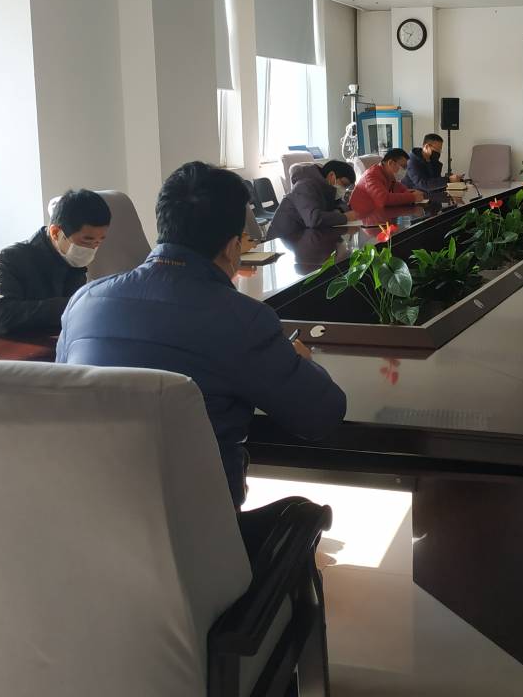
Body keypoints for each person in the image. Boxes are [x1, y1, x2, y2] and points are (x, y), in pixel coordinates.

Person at [57, 162, 347, 539]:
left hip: (94, 531)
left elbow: (66, 399)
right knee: (300, 517)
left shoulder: (83, 302)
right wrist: (303, 363)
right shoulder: (242, 319)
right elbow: (323, 416)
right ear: (232, 247)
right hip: (199, 542)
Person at [0, 189, 111, 336]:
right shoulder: (4, 260)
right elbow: (0, 317)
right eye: (86, 241)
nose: (92, 249)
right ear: (55, 232)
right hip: (6, 349)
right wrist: (77, 304)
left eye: (99, 242)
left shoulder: (73, 266)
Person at [265, 159, 355, 241]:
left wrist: (339, 211)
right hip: (282, 240)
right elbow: (313, 219)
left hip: (302, 237)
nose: (344, 189)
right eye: (344, 184)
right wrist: (345, 217)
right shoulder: (305, 186)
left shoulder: (327, 189)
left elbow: (340, 204)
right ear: (331, 176)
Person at [349, 149, 426, 215]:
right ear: (391, 163)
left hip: (377, 214)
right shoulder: (371, 176)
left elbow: (402, 190)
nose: (404, 171)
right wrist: (412, 197)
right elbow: (383, 200)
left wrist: (413, 193)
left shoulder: (389, 177)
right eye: (403, 166)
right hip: (360, 218)